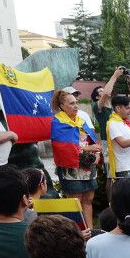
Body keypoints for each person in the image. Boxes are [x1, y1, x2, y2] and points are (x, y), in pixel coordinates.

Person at [50, 90, 102, 229]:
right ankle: (75, 232)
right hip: (70, 166)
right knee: (75, 201)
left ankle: (90, 231)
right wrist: (87, 149)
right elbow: (62, 147)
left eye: (77, 102)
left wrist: (96, 153)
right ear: (62, 106)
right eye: (72, 103)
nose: (76, 106)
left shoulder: (81, 120)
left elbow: (92, 141)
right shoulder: (58, 122)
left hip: (87, 166)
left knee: (88, 199)